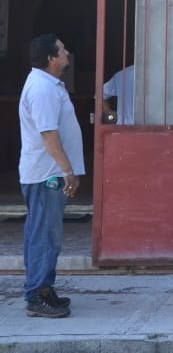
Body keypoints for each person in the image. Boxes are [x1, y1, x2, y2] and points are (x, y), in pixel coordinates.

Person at [18, 34, 85, 319]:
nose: (67, 52)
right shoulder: (42, 89)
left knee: (48, 233)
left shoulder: (48, 85)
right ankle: (37, 294)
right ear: (51, 58)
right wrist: (66, 170)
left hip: (50, 172)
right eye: (62, 49)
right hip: (48, 174)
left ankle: (44, 288)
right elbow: (48, 133)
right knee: (44, 234)